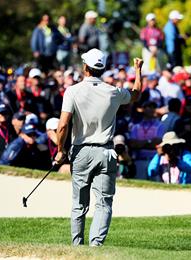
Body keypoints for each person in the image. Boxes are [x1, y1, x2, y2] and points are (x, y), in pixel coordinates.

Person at [54, 48, 143, 246]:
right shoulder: (113, 92)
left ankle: (77, 247)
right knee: (104, 203)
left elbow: (62, 125)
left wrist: (60, 151)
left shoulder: (72, 91)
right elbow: (136, 94)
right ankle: (95, 247)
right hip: (106, 152)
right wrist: (137, 70)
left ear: (85, 67)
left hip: (81, 152)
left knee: (79, 204)